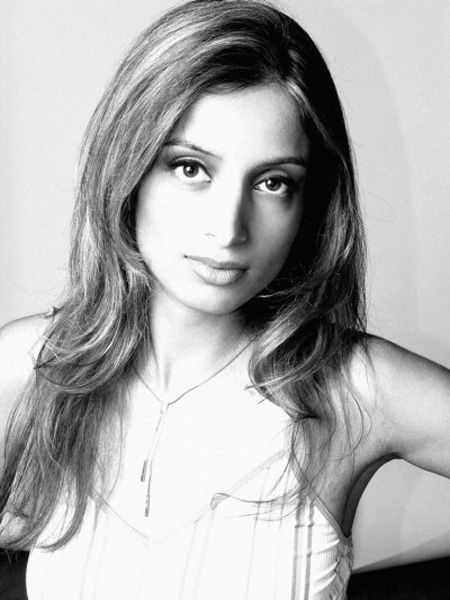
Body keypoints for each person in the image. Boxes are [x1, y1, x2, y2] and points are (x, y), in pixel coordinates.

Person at [0, 0, 449, 598]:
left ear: (309, 203)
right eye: (191, 169)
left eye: (272, 182)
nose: (230, 228)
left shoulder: (354, 390)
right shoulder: (31, 370)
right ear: (127, 169)